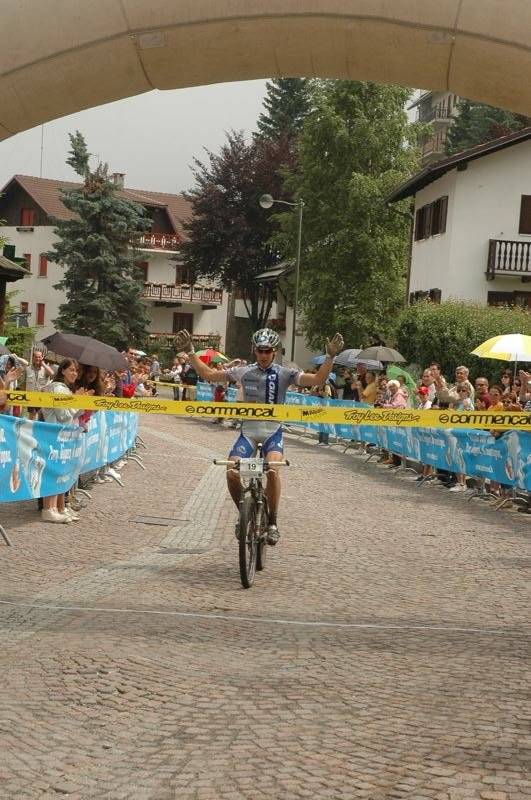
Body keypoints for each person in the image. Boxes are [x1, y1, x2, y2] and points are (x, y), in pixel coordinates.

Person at [174, 327, 344, 545]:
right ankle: (244, 516)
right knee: (231, 471)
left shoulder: (285, 373)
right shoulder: (244, 371)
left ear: (275, 351)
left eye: (268, 351)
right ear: (255, 351)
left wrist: (330, 357)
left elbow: (319, 379)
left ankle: (272, 522)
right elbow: (208, 374)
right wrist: (190, 352)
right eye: (260, 351)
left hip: (273, 431)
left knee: (273, 471)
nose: (264, 355)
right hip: (249, 431)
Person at [40, 358, 93, 523]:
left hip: (63, 436)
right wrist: (77, 401)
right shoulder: (57, 388)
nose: (74, 373)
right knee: (54, 471)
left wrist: (80, 401)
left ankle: (56, 507)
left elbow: (73, 414)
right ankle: (48, 508)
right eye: (71, 370)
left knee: (61, 472)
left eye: (76, 370)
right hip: (55, 435)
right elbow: (63, 415)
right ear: (62, 371)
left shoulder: (65, 389)